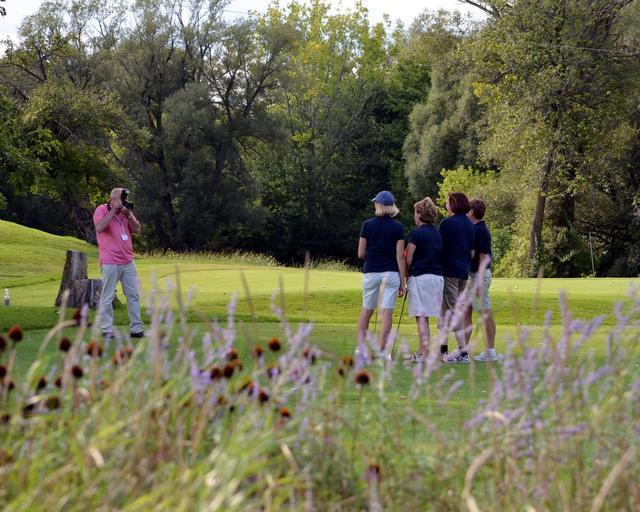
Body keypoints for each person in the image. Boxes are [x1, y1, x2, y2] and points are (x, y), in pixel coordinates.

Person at [357, 190, 406, 360]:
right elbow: (400, 257)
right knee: (387, 313)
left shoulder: (367, 225)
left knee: (367, 311)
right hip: (391, 273)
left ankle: (361, 349)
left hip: (371, 271)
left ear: (379, 205)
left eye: (375, 203)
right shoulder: (398, 227)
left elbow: (360, 254)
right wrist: (403, 281)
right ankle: (383, 351)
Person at [93, 188, 144, 339]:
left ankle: (136, 329)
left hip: (128, 261)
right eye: (120, 199)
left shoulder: (125, 211)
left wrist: (129, 216)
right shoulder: (101, 210)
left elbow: (137, 230)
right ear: (111, 199)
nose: (123, 202)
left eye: (123, 199)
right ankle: (106, 330)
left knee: (133, 295)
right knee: (107, 297)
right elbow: (99, 228)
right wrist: (113, 212)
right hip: (110, 262)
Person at [405, 197, 443, 362]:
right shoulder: (438, 233)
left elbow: (408, 258)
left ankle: (423, 353)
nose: (414, 216)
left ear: (420, 213)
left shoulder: (417, 233)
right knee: (425, 316)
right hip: (437, 278)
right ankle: (424, 351)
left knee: (421, 316)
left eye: (415, 212)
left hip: (421, 278)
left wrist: (405, 276)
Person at [439, 192, 474, 363]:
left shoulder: (447, 223)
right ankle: (443, 351)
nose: (446, 204)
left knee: (451, 311)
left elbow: (439, 246)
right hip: (463, 272)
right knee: (446, 310)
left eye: (448, 202)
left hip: (449, 272)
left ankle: (463, 351)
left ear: (454, 204)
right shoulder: (469, 224)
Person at [465, 198, 498, 362]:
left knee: (485, 312)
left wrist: (478, 281)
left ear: (471, 212)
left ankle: (490, 351)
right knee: (469, 309)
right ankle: (464, 349)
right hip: (474, 275)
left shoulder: (480, 230)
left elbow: (483, 256)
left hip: (480, 275)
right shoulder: (476, 228)